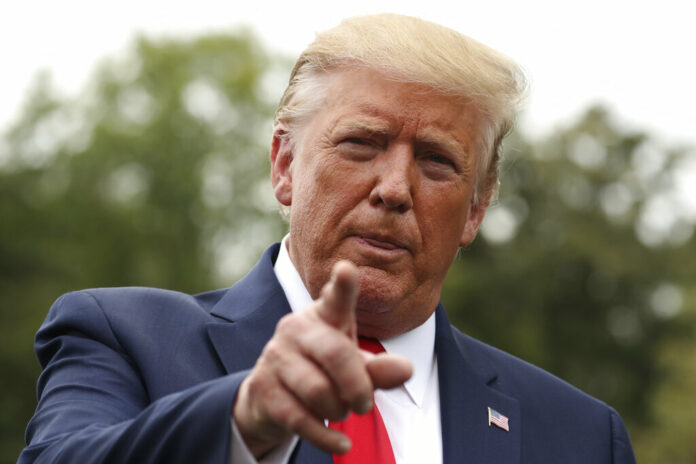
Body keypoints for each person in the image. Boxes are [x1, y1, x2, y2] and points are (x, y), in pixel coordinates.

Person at [20, 14, 636, 464]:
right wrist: (245, 421)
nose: (394, 188)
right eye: (361, 143)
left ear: (475, 209)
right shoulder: (122, 337)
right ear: (284, 166)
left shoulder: (581, 436)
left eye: (436, 161)